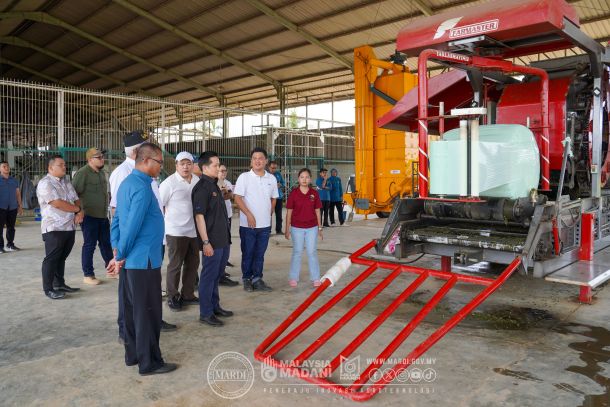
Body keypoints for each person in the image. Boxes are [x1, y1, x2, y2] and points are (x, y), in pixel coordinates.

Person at [107, 143, 178, 376]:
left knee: (131, 309)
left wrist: (117, 250)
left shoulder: (128, 183)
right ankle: (150, 363)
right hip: (143, 260)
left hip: (132, 260)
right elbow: (132, 226)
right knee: (148, 313)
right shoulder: (142, 188)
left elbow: (117, 220)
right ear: (146, 160)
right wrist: (120, 255)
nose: (160, 167)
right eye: (159, 162)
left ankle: (134, 355)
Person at [192, 151, 234, 326]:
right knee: (208, 277)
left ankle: (215, 306)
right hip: (212, 242)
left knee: (216, 275)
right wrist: (206, 242)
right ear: (205, 167)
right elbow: (199, 217)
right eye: (215, 165)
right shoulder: (202, 188)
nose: (219, 168)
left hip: (223, 238)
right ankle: (206, 313)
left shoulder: (215, 185)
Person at [36, 155, 84, 299]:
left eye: (64, 164)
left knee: (61, 257)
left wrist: (80, 211)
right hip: (54, 228)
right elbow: (57, 203)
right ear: (50, 168)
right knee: (51, 259)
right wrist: (77, 210)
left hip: (69, 226)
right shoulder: (45, 183)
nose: (64, 167)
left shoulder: (66, 182)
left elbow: (76, 199)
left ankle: (59, 284)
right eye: (60, 165)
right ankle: (48, 289)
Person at [159, 152, 200, 311]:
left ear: (193, 165)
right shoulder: (169, 183)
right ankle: (173, 296)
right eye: (182, 164)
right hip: (175, 231)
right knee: (175, 265)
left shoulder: (197, 181)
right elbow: (159, 206)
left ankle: (188, 294)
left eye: (188, 163)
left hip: (194, 230)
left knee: (193, 263)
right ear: (176, 165)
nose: (185, 167)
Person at [234, 147, 278, 292]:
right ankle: (247, 279)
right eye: (254, 158)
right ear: (251, 161)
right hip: (248, 225)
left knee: (259, 254)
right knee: (248, 253)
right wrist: (248, 214)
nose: (257, 161)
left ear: (266, 161)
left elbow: (274, 198)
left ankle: (257, 279)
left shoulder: (271, 178)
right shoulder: (244, 177)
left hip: (264, 225)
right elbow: (237, 198)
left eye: (260, 158)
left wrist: (270, 211)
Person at [72, 148, 113, 285]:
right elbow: (73, 194)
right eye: (98, 157)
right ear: (90, 160)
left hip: (102, 215)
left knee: (106, 244)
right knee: (90, 245)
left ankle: (111, 270)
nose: (102, 159)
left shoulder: (101, 173)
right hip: (89, 215)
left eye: (102, 156)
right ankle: (88, 275)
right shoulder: (82, 173)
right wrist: (78, 212)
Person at [285, 168, 323, 287]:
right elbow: (289, 212)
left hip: (312, 228)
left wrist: (320, 228)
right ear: (298, 179)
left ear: (310, 179)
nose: (304, 179)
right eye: (302, 177)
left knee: (312, 252)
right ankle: (293, 277)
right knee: (297, 251)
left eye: (307, 177)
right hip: (296, 228)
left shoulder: (314, 193)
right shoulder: (294, 193)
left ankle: (315, 278)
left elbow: (318, 211)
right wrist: (287, 229)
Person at [217, 164, 238, 286]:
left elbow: (230, 196)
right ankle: (219, 273)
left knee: (227, 242)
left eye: (225, 171)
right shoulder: (214, 183)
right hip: (218, 218)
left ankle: (223, 268)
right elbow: (222, 197)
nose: (223, 173)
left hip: (228, 215)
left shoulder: (227, 183)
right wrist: (224, 192)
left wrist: (227, 192)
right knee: (220, 244)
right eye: (221, 170)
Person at [0, 161, 22, 253]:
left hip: (12, 207)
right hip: (1, 207)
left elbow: (18, 194)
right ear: (0, 169)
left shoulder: (14, 180)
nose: (6, 168)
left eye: (7, 166)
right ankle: (0, 247)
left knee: (11, 228)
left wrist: (20, 206)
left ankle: (10, 245)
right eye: (4, 166)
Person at [268, 161, 285, 235]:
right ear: (268, 167)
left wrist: (280, 185)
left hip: (278, 197)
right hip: (269, 198)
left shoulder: (278, 174)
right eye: (272, 168)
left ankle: (279, 230)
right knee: (269, 214)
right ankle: (268, 231)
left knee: (279, 215)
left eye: (275, 168)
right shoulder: (265, 175)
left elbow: (283, 183)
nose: (274, 169)